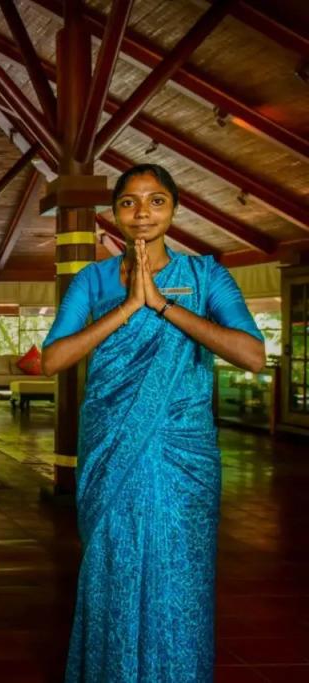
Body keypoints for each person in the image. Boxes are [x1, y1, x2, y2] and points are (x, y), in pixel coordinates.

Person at [41, 164, 265, 682]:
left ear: (175, 210)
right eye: (129, 201)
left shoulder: (206, 276)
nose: (142, 212)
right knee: (113, 565)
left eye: (156, 200)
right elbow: (54, 359)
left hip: (183, 455)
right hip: (111, 447)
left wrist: (161, 305)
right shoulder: (92, 279)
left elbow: (252, 355)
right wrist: (128, 307)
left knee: (179, 572)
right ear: (114, 213)